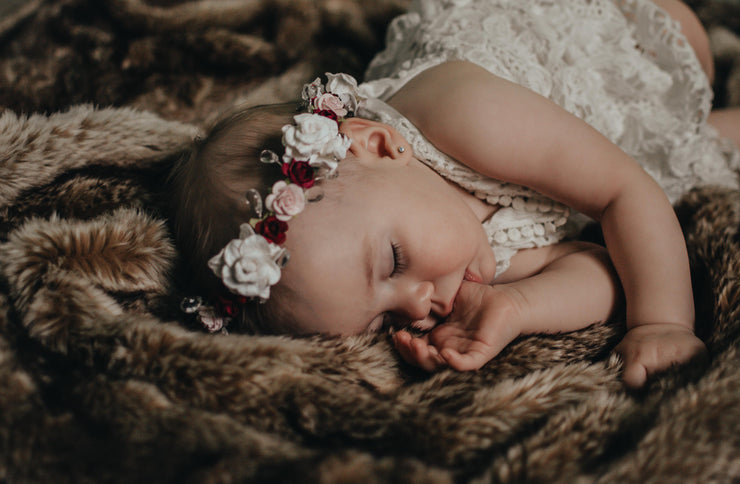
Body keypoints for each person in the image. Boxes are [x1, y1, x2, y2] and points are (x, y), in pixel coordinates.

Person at [168, 0, 740, 388]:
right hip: (630, 145)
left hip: (622, 36)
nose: (416, 305)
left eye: (393, 261)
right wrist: (516, 307)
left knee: (679, 70)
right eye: (381, 321)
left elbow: (623, 192)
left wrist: (662, 322)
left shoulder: (460, 113)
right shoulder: (449, 263)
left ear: (383, 145)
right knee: (696, 156)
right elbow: (599, 265)